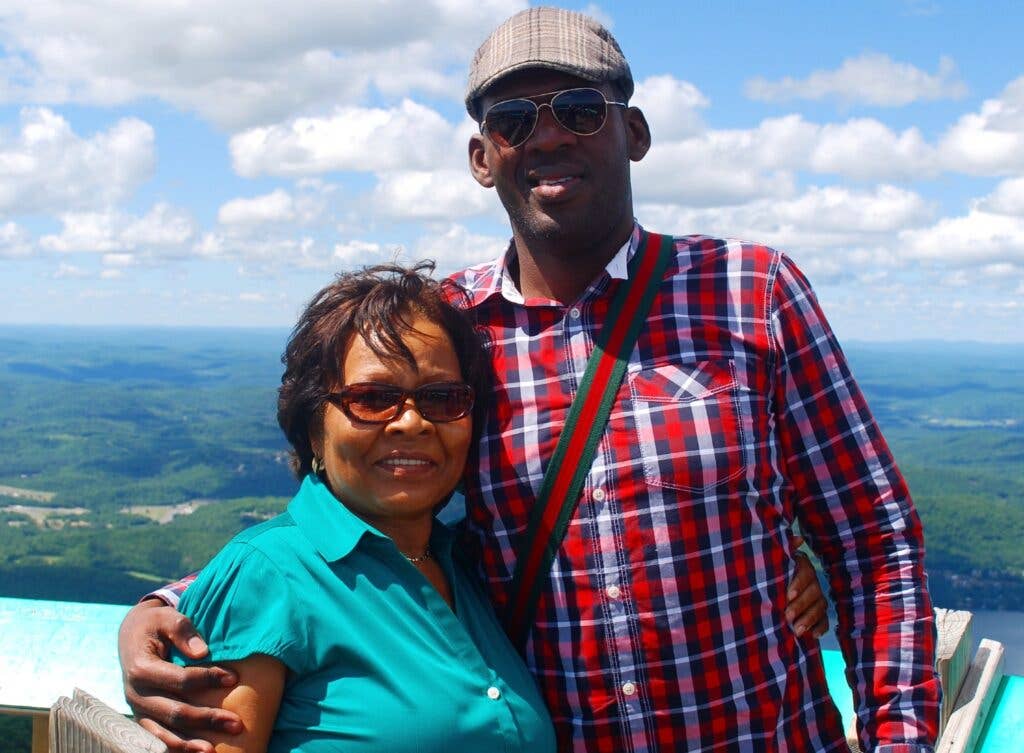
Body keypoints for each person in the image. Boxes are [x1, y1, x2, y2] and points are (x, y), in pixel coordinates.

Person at [119, 7, 938, 752]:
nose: (547, 139)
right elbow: (351, 517)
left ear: (637, 133)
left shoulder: (749, 291)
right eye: (513, 121)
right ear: (483, 158)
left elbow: (875, 540)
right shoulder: (445, 336)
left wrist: (898, 739)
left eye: (580, 111)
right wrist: (165, 606)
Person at [164, 263, 557, 752]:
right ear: (313, 429)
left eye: (442, 397)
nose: (411, 423)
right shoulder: (266, 577)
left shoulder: (462, 563)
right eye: (372, 398)